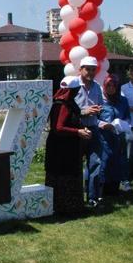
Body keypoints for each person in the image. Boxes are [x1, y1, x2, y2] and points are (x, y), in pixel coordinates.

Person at [45, 76, 91, 215]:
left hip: (64, 146)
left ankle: (64, 205)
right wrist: (78, 131)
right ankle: (66, 207)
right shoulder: (63, 105)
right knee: (64, 174)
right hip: (62, 148)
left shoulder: (63, 103)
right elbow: (58, 127)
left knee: (61, 174)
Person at [75, 56, 112, 207]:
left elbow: (100, 108)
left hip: (93, 128)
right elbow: (66, 109)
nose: (90, 72)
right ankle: (75, 197)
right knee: (76, 164)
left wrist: (102, 120)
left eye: (93, 69)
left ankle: (92, 198)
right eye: (87, 69)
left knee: (95, 162)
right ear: (80, 69)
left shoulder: (97, 86)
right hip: (76, 130)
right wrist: (84, 111)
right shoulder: (73, 85)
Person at [100, 74, 130, 196]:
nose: (111, 88)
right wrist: (102, 124)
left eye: (114, 86)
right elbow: (94, 119)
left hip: (118, 135)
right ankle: (101, 188)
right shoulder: (100, 100)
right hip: (103, 136)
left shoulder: (123, 100)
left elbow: (127, 116)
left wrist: (124, 124)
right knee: (105, 160)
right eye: (108, 85)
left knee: (118, 160)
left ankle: (114, 188)